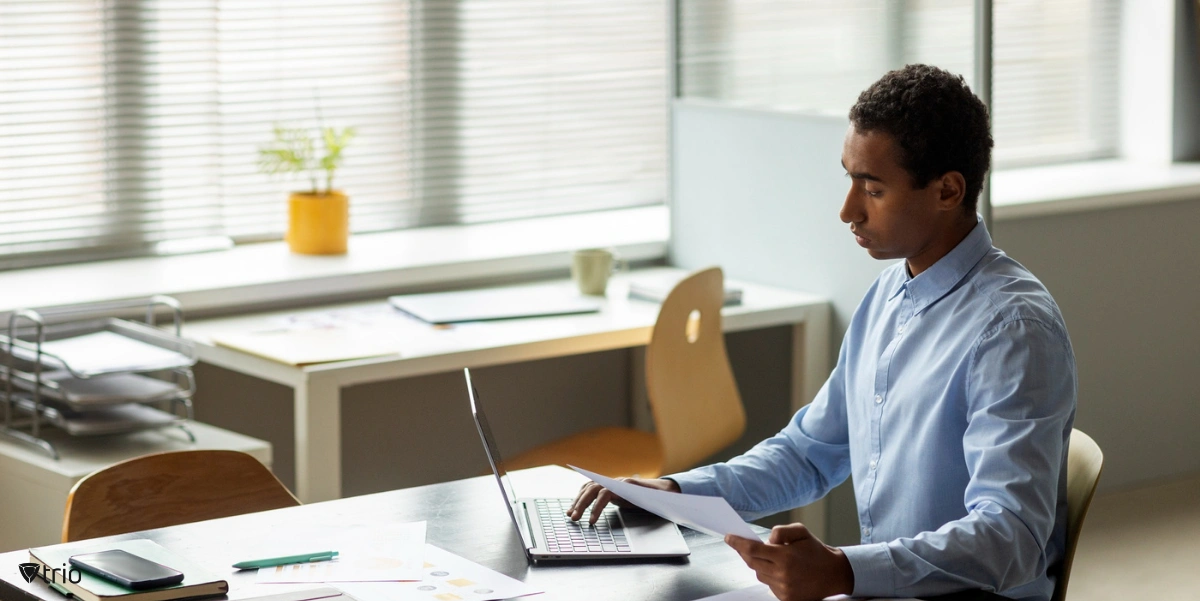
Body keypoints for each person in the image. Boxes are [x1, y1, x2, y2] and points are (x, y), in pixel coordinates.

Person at [567, 64, 1076, 601]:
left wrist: (842, 570)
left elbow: (1011, 537)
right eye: (849, 179)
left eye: (872, 189)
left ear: (948, 190)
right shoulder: (888, 295)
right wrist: (670, 492)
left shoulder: (1014, 329)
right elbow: (808, 454)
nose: (847, 211)